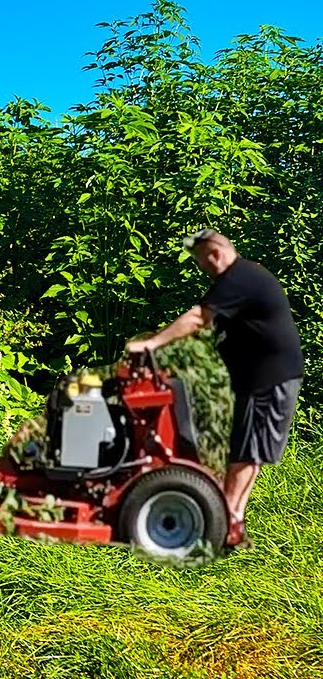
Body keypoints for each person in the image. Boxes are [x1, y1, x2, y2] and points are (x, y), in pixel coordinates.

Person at [126, 228, 304, 549]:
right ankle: (231, 522)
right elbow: (207, 333)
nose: (200, 269)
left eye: (199, 261)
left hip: (271, 378)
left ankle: (224, 527)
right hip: (259, 379)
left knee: (250, 450)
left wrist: (152, 343)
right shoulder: (240, 281)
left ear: (214, 253)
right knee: (245, 448)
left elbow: (197, 319)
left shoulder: (240, 277)